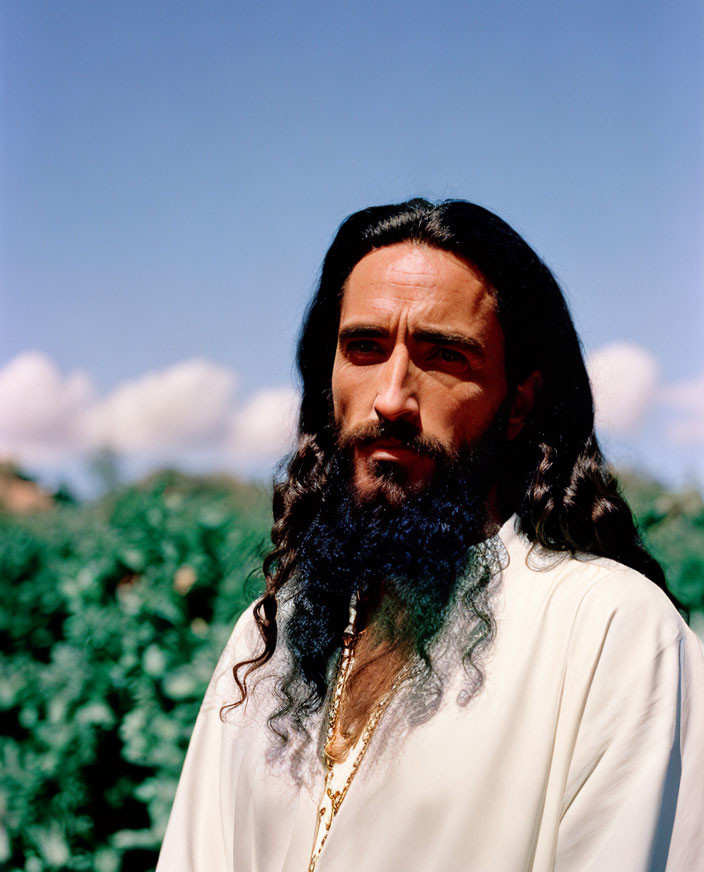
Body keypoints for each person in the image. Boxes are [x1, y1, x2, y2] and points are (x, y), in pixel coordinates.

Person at [156, 199, 704, 872]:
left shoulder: (611, 633)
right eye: (364, 348)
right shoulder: (266, 640)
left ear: (518, 405)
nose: (391, 397)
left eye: (443, 356)